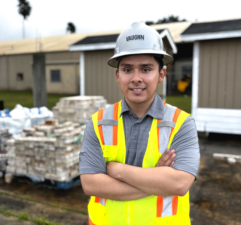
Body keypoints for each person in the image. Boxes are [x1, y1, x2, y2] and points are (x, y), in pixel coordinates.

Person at [79, 22, 200, 225]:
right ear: (118, 75)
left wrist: (116, 170)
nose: (136, 78)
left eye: (146, 69)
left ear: (161, 74)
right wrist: (157, 179)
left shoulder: (182, 124)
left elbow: (179, 184)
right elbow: (90, 184)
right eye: (127, 70)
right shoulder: (98, 122)